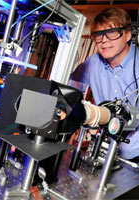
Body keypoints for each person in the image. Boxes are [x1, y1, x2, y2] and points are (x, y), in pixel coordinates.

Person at [70, 8, 139, 160]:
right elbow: (68, 92)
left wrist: (125, 148)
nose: (104, 41)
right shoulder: (93, 63)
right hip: (109, 148)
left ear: (128, 34)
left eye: (112, 32)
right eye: (98, 35)